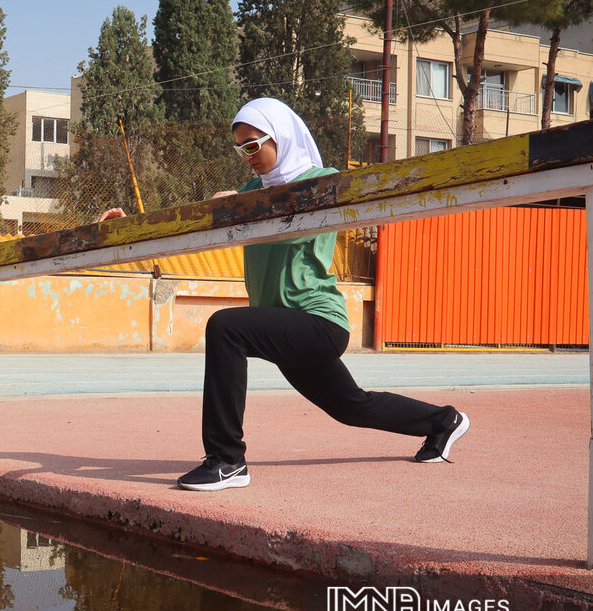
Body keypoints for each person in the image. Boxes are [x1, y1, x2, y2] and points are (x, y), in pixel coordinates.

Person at [97, 98, 469, 492]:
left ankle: (227, 460)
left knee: (226, 327)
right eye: (241, 148)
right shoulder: (247, 192)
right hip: (283, 326)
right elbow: (188, 227)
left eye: (253, 145)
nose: (247, 156)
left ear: (281, 137)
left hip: (318, 320)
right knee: (349, 405)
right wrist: (133, 226)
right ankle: (443, 421)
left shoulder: (324, 180)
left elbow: (358, 199)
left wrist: (241, 203)